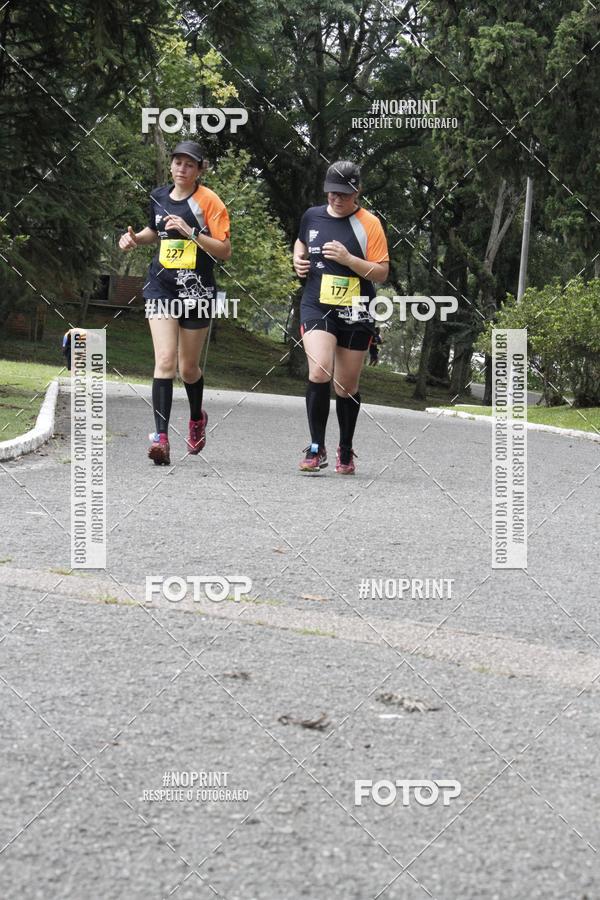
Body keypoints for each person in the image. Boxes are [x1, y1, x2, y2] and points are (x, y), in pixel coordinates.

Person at [118, 140, 231, 465]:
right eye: (178, 163)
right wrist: (135, 239)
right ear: (171, 165)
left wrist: (192, 232)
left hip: (196, 292)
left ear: (199, 170)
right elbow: (155, 232)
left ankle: (197, 417)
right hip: (161, 288)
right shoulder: (158, 196)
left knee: (188, 368)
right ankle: (161, 438)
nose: (182, 169)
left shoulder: (210, 202)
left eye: (189, 165)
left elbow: (224, 250)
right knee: (165, 361)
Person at [293, 160, 389, 475]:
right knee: (320, 370)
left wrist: (349, 260)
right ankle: (316, 447)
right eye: (332, 192)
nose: (337, 199)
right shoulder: (312, 215)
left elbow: (382, 272)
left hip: (357, 308)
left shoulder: (370, 224)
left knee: (345, 386)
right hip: (316, 303)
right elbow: (302, 241)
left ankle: (345, 447)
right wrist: (298, 259)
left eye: (344, 194)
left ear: (357, 191)